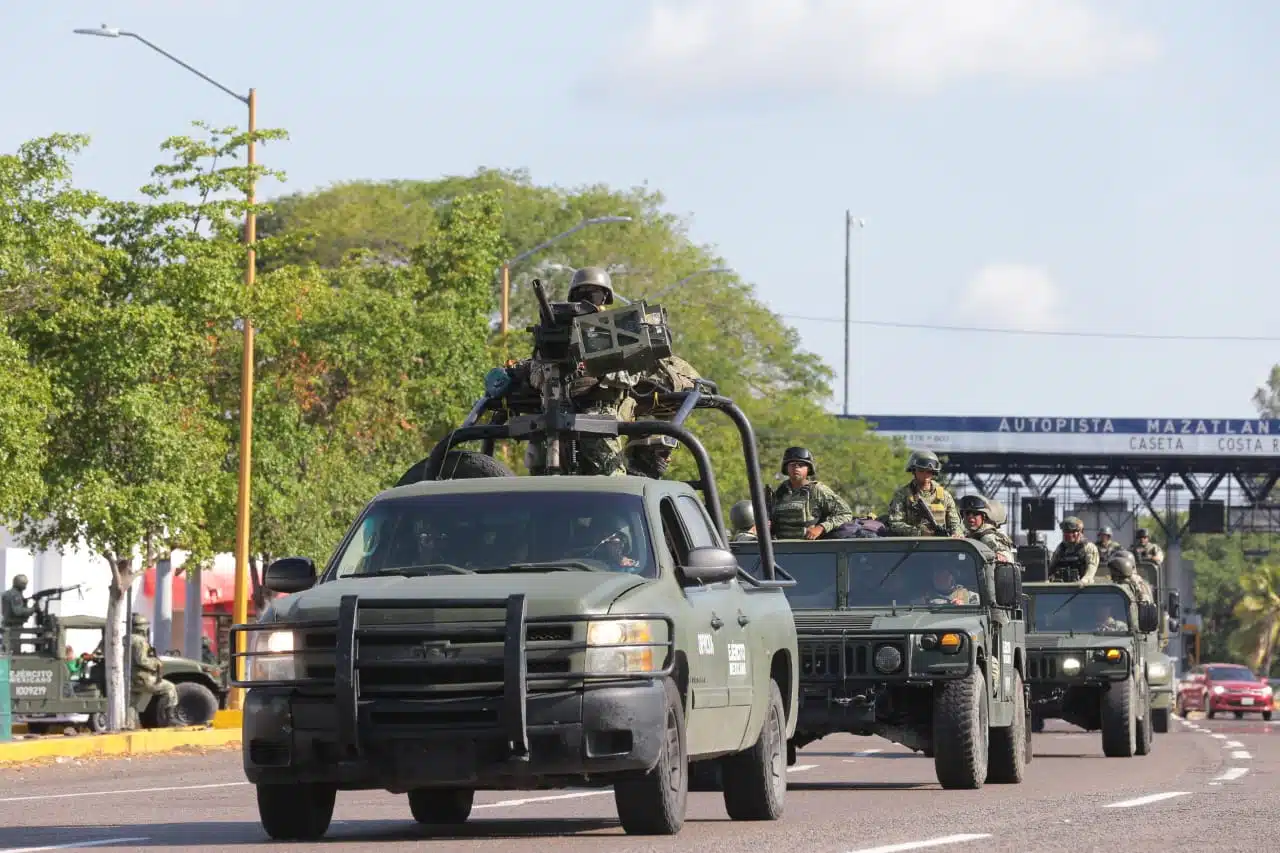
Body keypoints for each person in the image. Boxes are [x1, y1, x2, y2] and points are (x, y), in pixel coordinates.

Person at [769, 447, 853, 539]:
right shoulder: (780, 492)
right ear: (786, 468)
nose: (796, 467)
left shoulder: (817, 490)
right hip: (781, 548)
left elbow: (845, 513)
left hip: (809, 549)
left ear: (808, 469)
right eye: (792, 464)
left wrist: (821, 527)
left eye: (801, 465)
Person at [885, 450, 963, 538]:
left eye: (929, 471)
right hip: (912, 545)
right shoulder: (903, 495)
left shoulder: (944, 496)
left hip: (941, 545)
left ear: (934, 472)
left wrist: (956, 533)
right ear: (914, 470)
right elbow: (895, 523)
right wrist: (920, 533)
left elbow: (955, 523)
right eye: (921, 470)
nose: (925, 474)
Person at [130, 614, 179, 728]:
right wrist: (156, 663)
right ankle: (170, 718)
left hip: (130, 678)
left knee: (131, 704)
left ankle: (129, 725)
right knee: (170, 687)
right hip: (142, 678)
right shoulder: (140, 641)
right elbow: (142, 660)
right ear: (143, 627)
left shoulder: (125, 639)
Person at [959, 495, 1015, 562]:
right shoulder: (966, 535)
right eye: (967, 513)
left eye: (975, 513)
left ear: (984, 517)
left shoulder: (987, 536)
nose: (971, 517)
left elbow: (1007, 557)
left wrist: (1001, 556)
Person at [1048, 516, 1100, 583]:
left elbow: (1091, 569)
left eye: (1071, 532)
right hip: (1061, 587)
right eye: (1065, 531)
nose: (1068, 534)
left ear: (1080, 532)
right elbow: (1051, 568)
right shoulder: (1061, 548)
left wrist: (1084, 581)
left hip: (1083, 589)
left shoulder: (1089, 547)